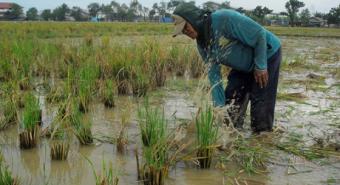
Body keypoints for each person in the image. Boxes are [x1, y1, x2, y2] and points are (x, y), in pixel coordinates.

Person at [172, 3, 281, 133]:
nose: (185, 32)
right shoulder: (202, 45)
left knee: (260, 106)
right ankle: (233, 132)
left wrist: (261, 66)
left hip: (266, 54)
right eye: (182, 31)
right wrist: (219, 110)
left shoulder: (224, 19)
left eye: (185, 27)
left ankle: (262, 136)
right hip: (242, 65)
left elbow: (259, 34)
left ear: (193, 19)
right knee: (230, 106)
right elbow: (215, 79)